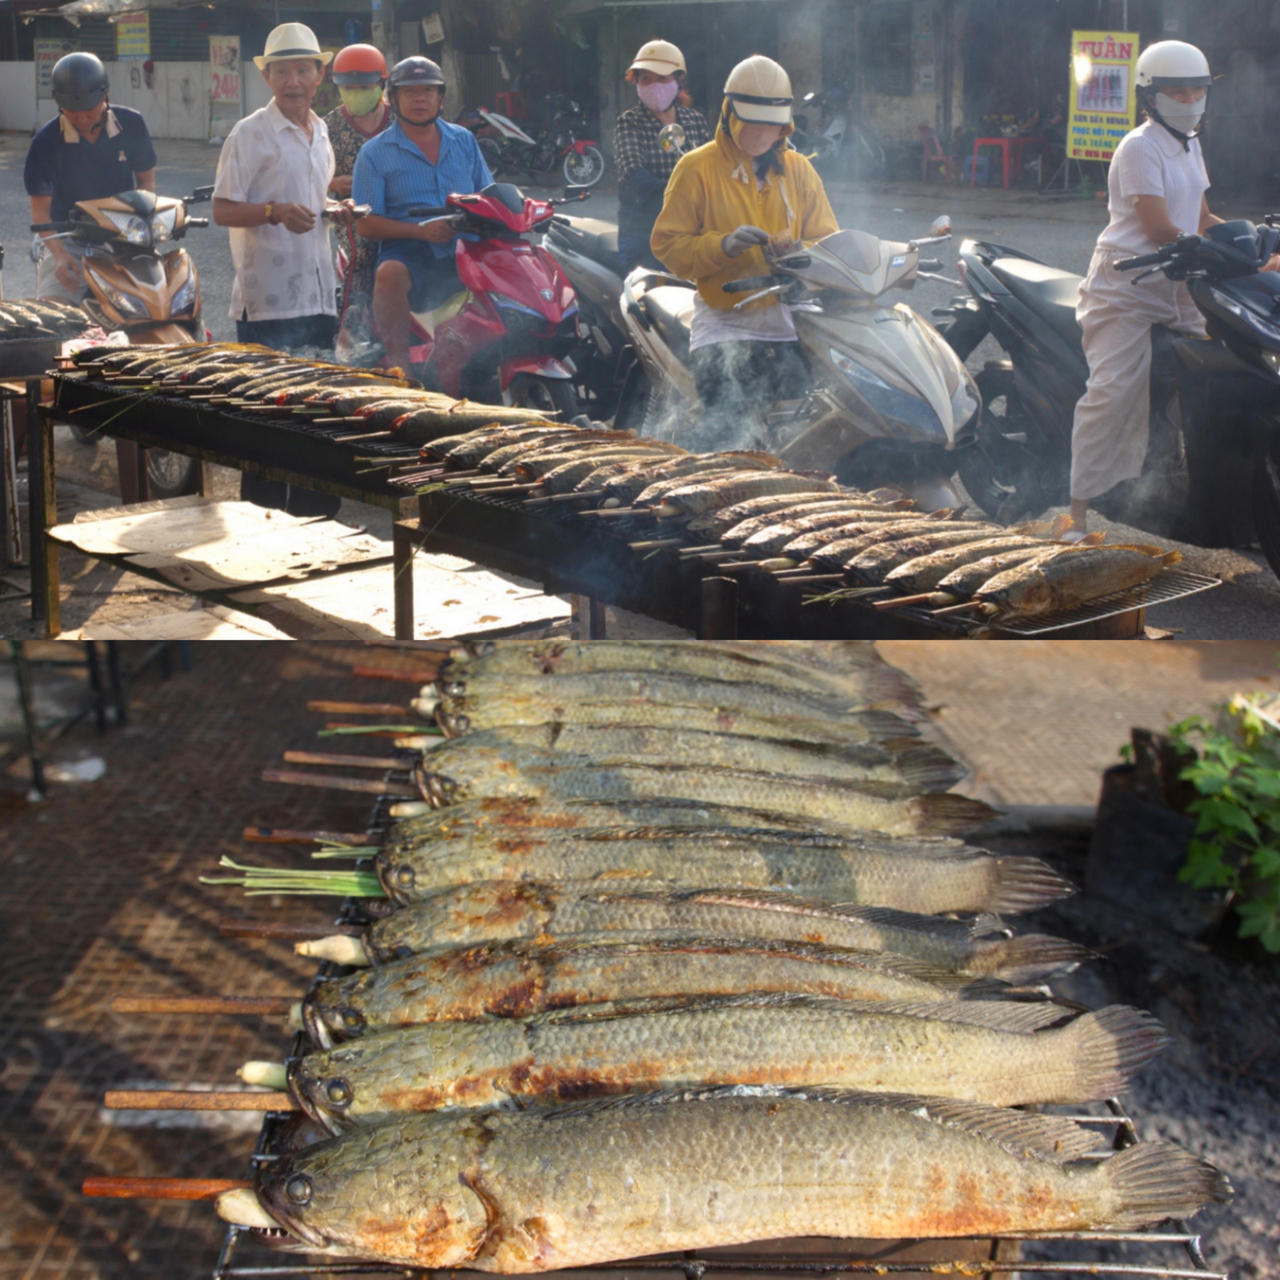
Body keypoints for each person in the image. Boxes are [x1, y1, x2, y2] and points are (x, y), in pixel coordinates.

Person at [1066, 40, 1271, 536]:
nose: (1189, 99)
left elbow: (1200, 218)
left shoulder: (1189, 142)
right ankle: (1076, 513)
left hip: (1182, 282)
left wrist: (1254, 247)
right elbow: (1160, 228)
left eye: (1196, 90)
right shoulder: (1138, 146)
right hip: (1129, 285)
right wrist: (1222, 252)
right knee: (1113, 392)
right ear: (1151, 97)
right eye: (1176, 91)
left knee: (1235, 367)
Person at [650, 54, 838, 450]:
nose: (759, 132)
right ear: (728, 114)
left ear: (784, 124)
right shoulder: (695, 168)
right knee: (723, 436)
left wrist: (800, 254)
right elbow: (668, 246)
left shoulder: (800, 170)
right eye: (750, 121)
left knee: (813, 430)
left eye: (769, 124)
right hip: (725, 320)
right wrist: (724, 245)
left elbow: (830, 245)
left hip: (791, 319)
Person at [212, 22, 360, 516]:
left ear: (319, 75)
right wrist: (273, 211)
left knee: (316, 413)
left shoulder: (321, 134)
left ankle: (316, 520)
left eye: (303, 69)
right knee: (267, 422)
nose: (293, 80)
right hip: (268, 301)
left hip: (318, 296)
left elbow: (313, 204)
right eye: (282, 71)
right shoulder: (248, 133)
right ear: (268, 77)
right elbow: (223, 210)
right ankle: (264, 523)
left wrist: (333, 211)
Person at [352, 56, 493, 373]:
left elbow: (489, 193)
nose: (420, 98)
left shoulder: (464, 140)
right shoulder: (374, 153)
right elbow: (366, 223)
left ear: (440, 98)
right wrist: (420, 231)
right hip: (410, 247)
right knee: (388, 273)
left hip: (466, 245)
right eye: (410, 91)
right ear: (394, 98)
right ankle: (400, 369)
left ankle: (504, 356)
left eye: (428, 91)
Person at [24, 52, 157, 303]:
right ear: (59, 103)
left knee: (152, 305)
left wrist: (140, 226)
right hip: (67, 239)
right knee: (55, 316)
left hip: (124, 236)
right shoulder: (45, 142)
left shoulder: (132, 124)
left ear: (104, 96)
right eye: (72, 112)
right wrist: (60, 256)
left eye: (89, 110)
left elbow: (147, 184)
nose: (82, 119)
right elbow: (41, 214)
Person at [613, 39, 710, 274]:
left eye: (663, 78)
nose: (654, 85)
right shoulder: (630, 122)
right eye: (646, 79)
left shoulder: (695, 121)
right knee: (645, 300)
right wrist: (685, 195)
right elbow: (634, 175)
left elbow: (712, 168)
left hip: (691, 230)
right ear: (636, 83)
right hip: (644, 232)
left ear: (678, 81)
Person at [323, 42, 392, 349]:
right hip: (350, 211)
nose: (355, 93)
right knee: (363, 252)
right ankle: (346, 331)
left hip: (397, 207)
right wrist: (341, 182)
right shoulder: (330, 127)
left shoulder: (399, 120)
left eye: (363, 87)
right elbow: (316, 180)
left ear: (381, 85)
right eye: (347, 88)